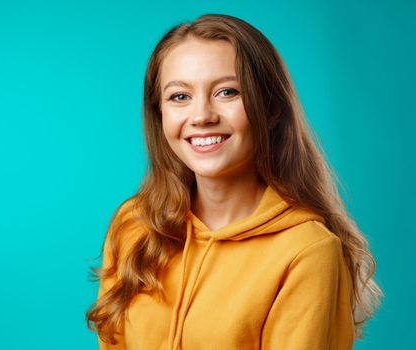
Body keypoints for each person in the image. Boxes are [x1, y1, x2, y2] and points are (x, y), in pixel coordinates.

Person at [85, 13, 383, 350]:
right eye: (180, 97)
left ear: (270, 109)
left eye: (227, 92)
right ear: (160, 114)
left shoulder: (308, 252)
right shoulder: (135, 224)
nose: (201, 116)